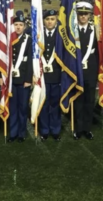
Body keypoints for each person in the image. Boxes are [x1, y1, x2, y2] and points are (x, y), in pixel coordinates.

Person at [73, 2, 98, 140]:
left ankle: (87, 129)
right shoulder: (72, 30)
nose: (83, 16)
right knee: (78, 101)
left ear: (89, 15)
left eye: (85, 14)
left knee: (89, 101)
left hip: (90, 71)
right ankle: (78, 128)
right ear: (77, 15)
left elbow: (99, 53)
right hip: (76, 71)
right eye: (80, 13)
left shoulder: (96, 30)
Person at [8, 11, 33, 143]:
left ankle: (21, 133)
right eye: (16, 24)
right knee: (13, 107)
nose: (18, 27)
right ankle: (13, 133)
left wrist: (28, 79)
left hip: (23, 79)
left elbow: (30, 62)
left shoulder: (29, 40)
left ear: (24, 26)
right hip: (11, 80)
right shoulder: (8, 40)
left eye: (20, 25)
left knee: (23, 107)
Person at [39, 10, 62, 142]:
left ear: (56, 20)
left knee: (55, 105)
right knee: (44, 104)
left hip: (57, 76)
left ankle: (55, 130)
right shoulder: (39, 35)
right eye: (47, 19)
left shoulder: (61, 36)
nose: (49, 22)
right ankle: (44, 130)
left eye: (52, 19)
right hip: (42, 76)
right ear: (44, 21)